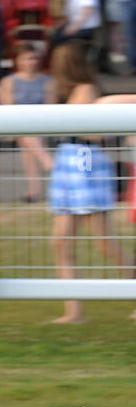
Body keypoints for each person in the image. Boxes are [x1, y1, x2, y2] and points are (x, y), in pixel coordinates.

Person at [46, 44, 128, 324]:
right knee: (60, 242)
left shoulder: (86, 88)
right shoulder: (62, 91)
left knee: (105, 242)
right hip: (66, 161)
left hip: (85, 160)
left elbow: (97, 134)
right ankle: (73, 311)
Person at [0, 46, 53, 202]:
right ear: (18, 61)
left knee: (29, 149)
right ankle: (48, 164)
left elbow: (50, 106)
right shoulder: (9, 81)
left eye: (34, 58)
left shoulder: (48, 81)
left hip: (40, 123)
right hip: (18, 123)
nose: (32, 62)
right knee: (28, 141)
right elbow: (7, 106)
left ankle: (33, 191)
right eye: (27, 58)